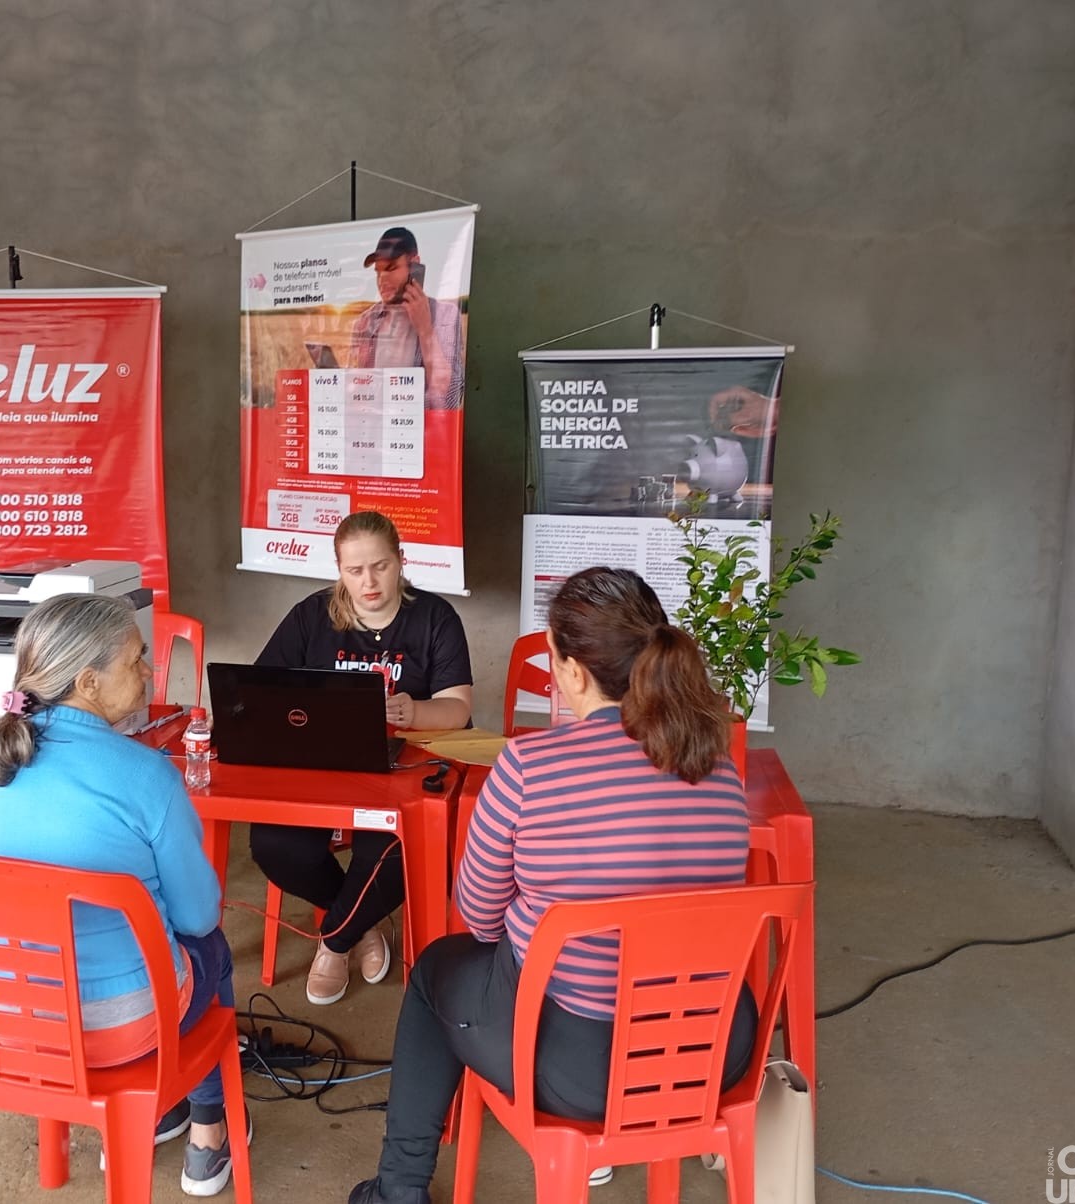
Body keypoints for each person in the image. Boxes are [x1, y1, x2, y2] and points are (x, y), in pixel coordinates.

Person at [347, 567, 755, 1204]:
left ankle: (399, 1190)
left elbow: (478, 912)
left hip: (581, 1072)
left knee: (434, 970)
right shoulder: (718, 768)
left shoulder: (529, 766)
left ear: (571, 671)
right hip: (710, 1053)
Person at [0, 593, 244, 1199]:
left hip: (18, 1020)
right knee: (211, 944)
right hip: (129, 1027)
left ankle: (159, 1118)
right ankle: (208, 1132)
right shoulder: (147, 776)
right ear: (88, 681)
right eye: (137, 660)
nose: (147, 673)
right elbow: (196, 915)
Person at [251, 511, 473, 1007]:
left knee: (395, 847)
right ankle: (360, 924)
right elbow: (263, 691)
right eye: (354, 571)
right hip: (324, 766)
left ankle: (332, 946)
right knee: (273, 843)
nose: (368, 582)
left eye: (380, 567)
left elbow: (458, 710)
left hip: (402, 770)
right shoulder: (312, 616)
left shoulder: (434, 618)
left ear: (401, 562)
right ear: (338, 569)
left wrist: (414, 709)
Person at [349, 226, 465, 410]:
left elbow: (448, 401)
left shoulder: (445, 315)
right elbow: (358, 396)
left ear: (415, 264)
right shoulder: (365, 322)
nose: (382, 279)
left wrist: (425, 330)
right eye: (378, 272)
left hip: (420, 436)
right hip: (373, 434)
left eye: (391, 268)